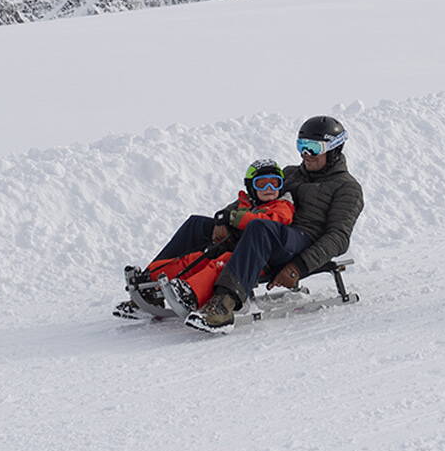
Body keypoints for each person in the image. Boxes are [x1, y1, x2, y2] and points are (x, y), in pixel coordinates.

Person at [122, 115, 365, 335]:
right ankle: (148, 288)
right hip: (270, 231)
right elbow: (252, 197)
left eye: (314, 148)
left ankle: (224, 303)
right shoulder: (290, 174)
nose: (306, 155)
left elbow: (338, 238)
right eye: (302, 147)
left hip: (301, 241)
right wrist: (225, 218)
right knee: (197, 224)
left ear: (334, 149)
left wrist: (298, 268)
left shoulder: (347, 188)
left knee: (259, 228)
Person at [113, 158, 294, 320]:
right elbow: (224, 216)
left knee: (221, 264)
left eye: (274, 183)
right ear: (251, 187)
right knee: (194, 259)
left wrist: (233, 218)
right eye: (262, 183)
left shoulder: (282, 206)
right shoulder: (245, 203)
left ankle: (191, 292)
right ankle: (149, 285)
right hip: (234, 249)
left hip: (257, 259)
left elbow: (265, 223)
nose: (269, 189)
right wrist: (223, 219)